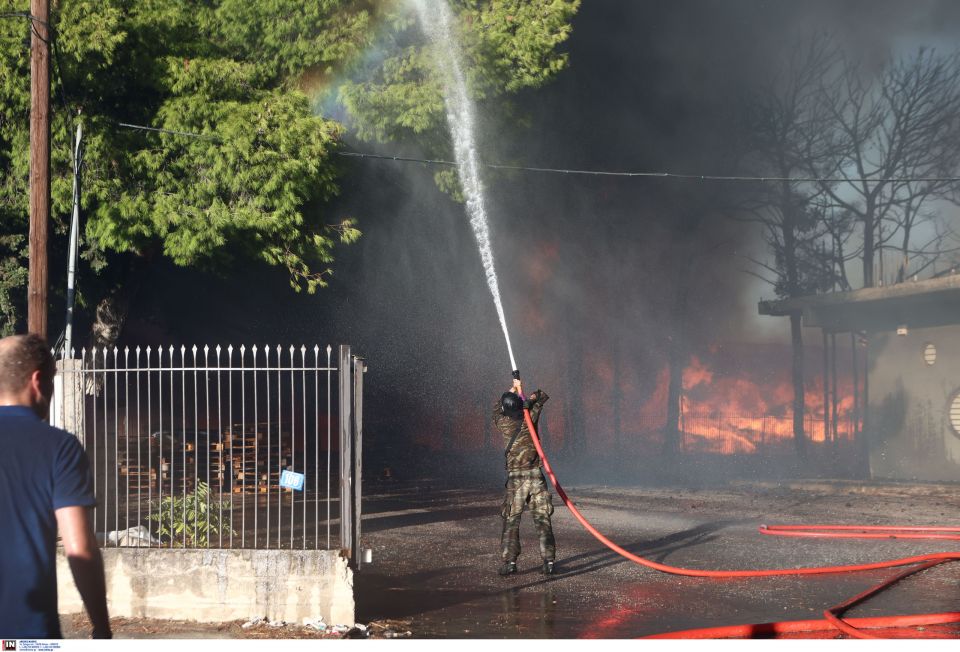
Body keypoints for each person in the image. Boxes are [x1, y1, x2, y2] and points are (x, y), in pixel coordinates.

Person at [0, 334, 111, 639]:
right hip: (26, 637)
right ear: (37, 381)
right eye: (51, 382)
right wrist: (102, 629)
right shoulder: (59, 448)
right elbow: (80, 549)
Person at [492, 376, 555, 576]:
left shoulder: (503, 423)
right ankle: (549, 561)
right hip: (535, 477)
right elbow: (543, 396)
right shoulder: (530, 417)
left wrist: (512, 389)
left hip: (516, 481)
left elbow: (495, 410)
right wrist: (528, 398)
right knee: (542, 520)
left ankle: (510, 563)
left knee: (511, 521)